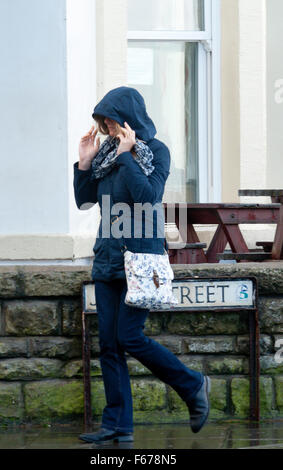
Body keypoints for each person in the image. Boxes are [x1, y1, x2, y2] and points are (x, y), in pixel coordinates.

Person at [73, 86, 211, 444]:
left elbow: (147, 197)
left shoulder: (157, 152)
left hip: (141, 257)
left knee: (129, 336)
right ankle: (118, 425)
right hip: (107, 257)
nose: (107, 129)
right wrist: (85, 163)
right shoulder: (106, 155)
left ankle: (192, 383)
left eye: (112, 122)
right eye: (103, 124)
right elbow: (85, 202)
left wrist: (126, 154)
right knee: (109, 345)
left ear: (128, 119)